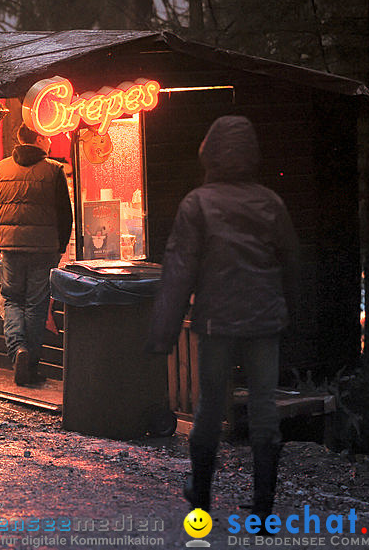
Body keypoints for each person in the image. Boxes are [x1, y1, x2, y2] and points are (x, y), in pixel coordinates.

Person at [145, 115, 300, 532]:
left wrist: (162, 334)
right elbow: (291, 261)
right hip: (264, 323)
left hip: (217, 323)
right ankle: (263, 507)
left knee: (210, 408)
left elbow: (178, 271)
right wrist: (287, 314)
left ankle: (202, 497)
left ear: (209, 152)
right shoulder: (270, 202)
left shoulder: (197, 203)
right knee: (265, 411)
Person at [0, 124, 73, 386]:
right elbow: (65, 215)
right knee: (36, 305)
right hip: (44, 250)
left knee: (12, 300)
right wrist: (60, 247)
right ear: (39, 139)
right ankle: (31, 364)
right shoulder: (54, 170)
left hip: (11, 249)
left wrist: (2, 243)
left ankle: (17, 349)